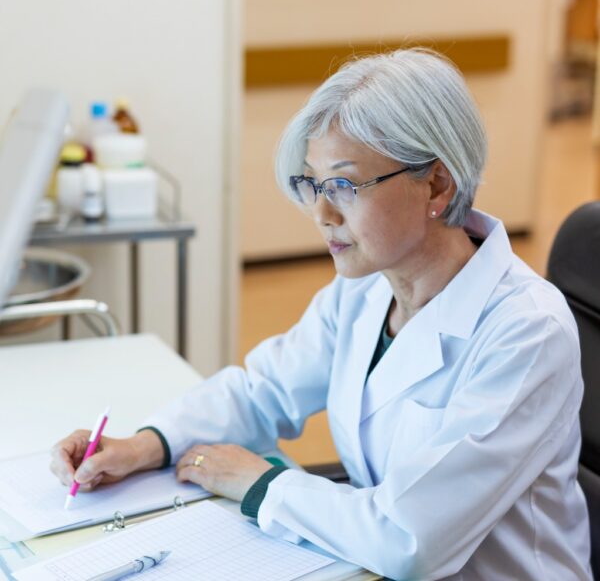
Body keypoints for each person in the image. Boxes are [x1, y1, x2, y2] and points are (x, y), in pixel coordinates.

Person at [50, 49, 592, 580]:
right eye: (312, 184)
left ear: (436, 184)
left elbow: (413, 541)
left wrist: (261, 484)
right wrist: (143, 445)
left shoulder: (527, 332)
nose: (321, 213)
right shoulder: (365, 288)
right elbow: (264, 390)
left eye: (344, 185)